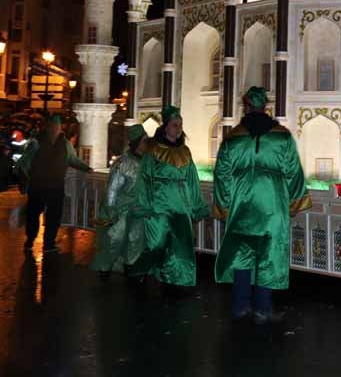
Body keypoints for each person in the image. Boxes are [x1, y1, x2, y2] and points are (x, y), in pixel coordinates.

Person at [212, 88, 311, 323]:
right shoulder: (282, 137)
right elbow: (293, 172)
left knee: (241, 255)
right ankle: (263, 309)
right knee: (269, 255)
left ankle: (240, 306)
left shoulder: (232, 138)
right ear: (266, 107)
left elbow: (222, 175)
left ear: (245, 107)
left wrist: (225, 206)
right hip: (272, 203)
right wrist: (295, 202)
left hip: (242, 203)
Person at [131, 105, 209, 290]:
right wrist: (145, 204)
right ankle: (143, 271)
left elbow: (192, 180)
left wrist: (196, 206)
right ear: (166, 126)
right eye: (175, 124)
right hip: (159, 206)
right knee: (157, 244)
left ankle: (178, 281)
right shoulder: (153, 151)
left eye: (180, 125)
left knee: (181, 244)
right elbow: (144, 178)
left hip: (181, 206)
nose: (179, 128)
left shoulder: (185, 152)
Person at [15, 114, 92, 252]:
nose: (54, 128)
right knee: (33, 214)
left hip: (55, 186)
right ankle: (30, 240)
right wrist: (25, 176)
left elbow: (72, 160)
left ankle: (48, 243)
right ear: (47, 126)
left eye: (56, 125)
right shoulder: (36, 142)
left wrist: (86, 168)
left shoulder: (65, 143)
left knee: (53, 216)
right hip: (38, 185)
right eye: (52, 125)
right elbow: (26, 160)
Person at [90, 124, 147, 277]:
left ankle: (132, 268)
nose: (146, 144)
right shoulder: (122, 163)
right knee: (115, 239)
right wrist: (111, 210)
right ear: (136, 142)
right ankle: (105, 267)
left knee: (136, 240)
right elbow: (112, 189)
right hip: (122, 210)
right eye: (144, 141)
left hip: (139, 209)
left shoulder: (147, 162)